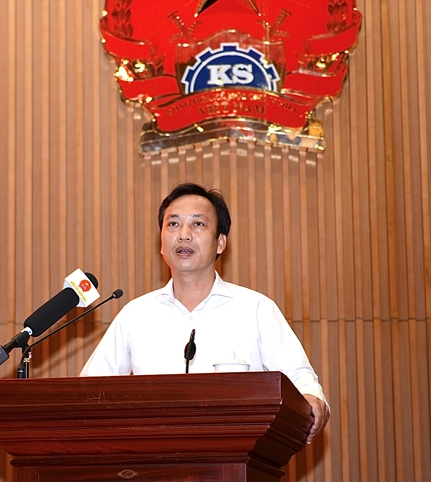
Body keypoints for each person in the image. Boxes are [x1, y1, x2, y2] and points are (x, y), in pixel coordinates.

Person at [80, 182, 330, 444]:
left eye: (198, 224)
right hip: (152, 451)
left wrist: (312, 399)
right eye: (173, 224)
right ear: (161, 243)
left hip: (239, 451)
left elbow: (301, 380)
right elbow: (90, 391)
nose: (183, 235)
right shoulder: (135, 315)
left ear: (220, 242)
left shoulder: (256, 309)